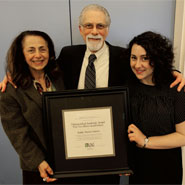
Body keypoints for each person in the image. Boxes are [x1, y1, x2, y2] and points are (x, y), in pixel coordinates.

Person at [0, 4, 185, 185]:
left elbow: (147, 68)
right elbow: (40, 68)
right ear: (80, 29)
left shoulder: (122, 58)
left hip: (109, 155)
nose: (94, 31)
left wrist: (174, 73)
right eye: (89, 25)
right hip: (71, 154)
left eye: (100, 26)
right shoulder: (69, 55)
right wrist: (12, 75)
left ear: (107, 29)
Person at [0, 30, 65, 184]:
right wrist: (38, 162)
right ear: (21, 54)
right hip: (38, 167)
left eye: (42, 49)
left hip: (68, 160)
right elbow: (17, 134)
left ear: (49, 52)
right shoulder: (10, 90)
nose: (38, 55)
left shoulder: (60, 76)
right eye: (31, 50)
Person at [127, 31, 185, 184]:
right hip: (137, 168)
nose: (137, 65)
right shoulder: (127, 87)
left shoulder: (175, 89)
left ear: (157, 59)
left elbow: (183, 136)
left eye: (145, 58)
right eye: (134, 58)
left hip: (166, 168)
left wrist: (146, 141)